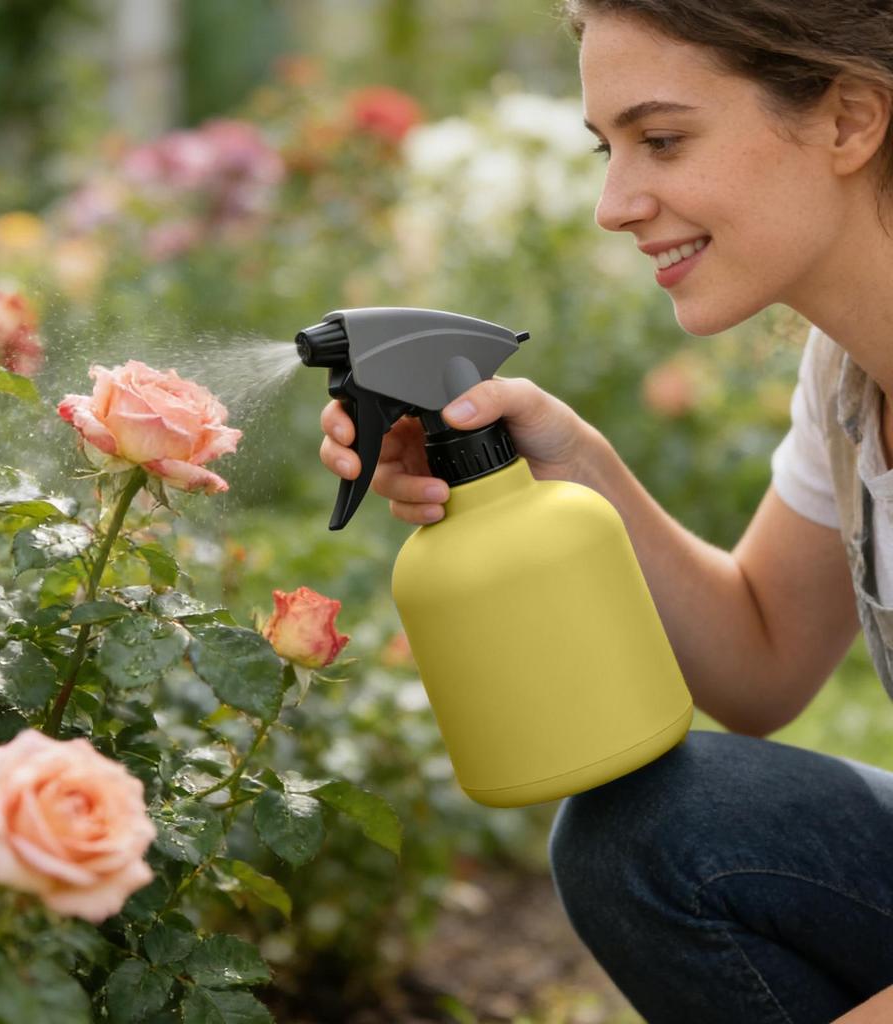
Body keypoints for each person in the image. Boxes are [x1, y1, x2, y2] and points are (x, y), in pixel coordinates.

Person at [318, 1, 893, 1021]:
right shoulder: (848, 378)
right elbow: (762, 663)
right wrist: (570, 466)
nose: (613, 205)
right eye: (606, 148)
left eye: (661, 140)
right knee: (653, 833)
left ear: (848, 119)